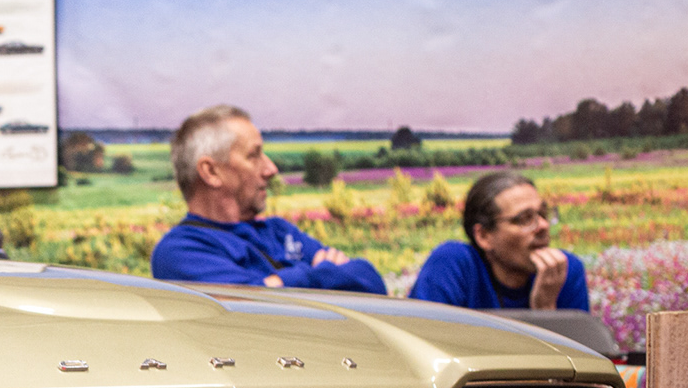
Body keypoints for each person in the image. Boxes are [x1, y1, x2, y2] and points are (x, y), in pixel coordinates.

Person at [148, 105, 386, 293]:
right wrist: (324, 272)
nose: (271, 169)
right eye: (254, 156)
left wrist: (281, 282)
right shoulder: (180, 250)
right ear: (211, 172)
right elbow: (251, 310)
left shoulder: (279, 231)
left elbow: (371, 281)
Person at [409, 171, 588, 311]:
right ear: (484, 236)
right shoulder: (453, 264)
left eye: (543, 214)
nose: (543, 225)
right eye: (525, 219)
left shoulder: (565, 271)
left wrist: (546, 309)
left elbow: (577, 349)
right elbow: (421, 342)